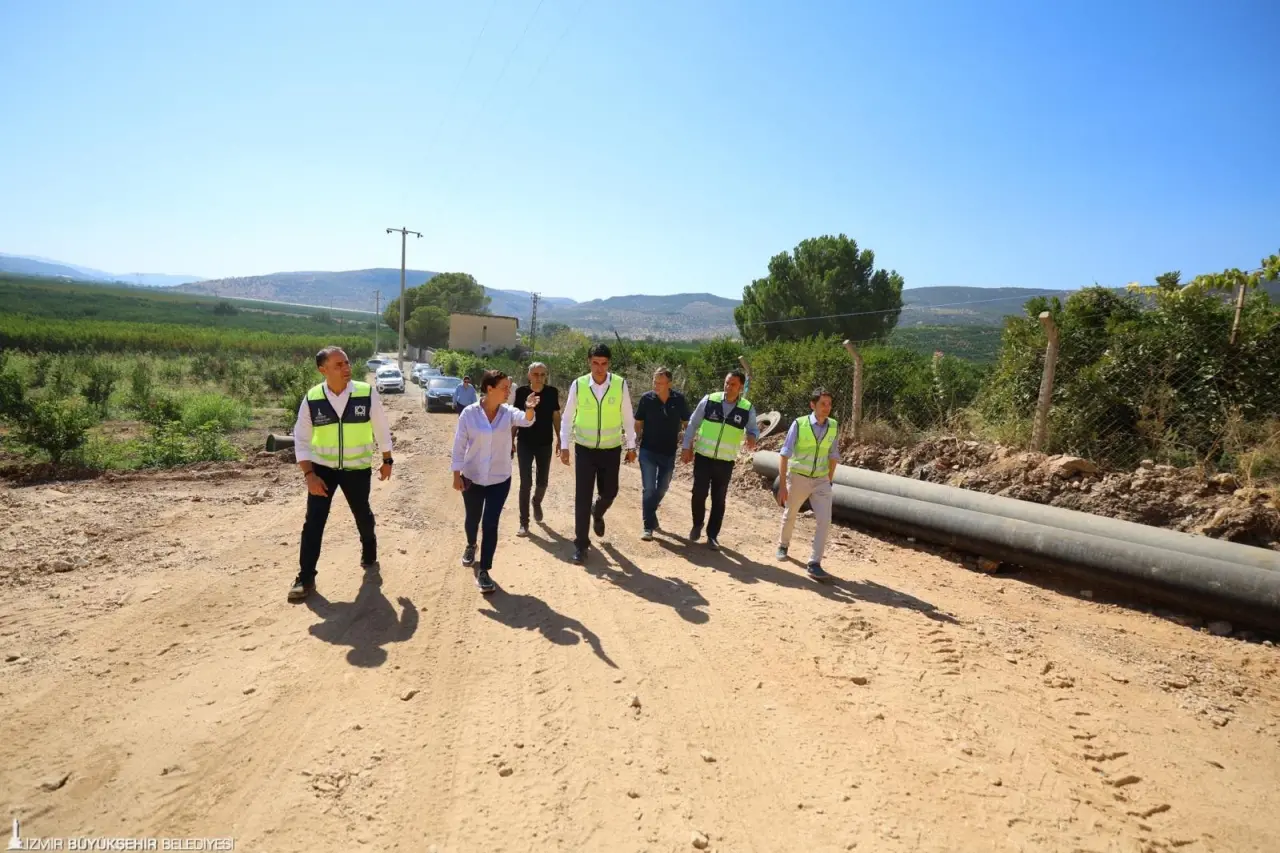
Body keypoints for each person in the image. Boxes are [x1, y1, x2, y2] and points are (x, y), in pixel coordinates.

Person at [289, 346, 394, 602]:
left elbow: (381, 427)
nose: (346, 368)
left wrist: (387, 459)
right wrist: (309, 475)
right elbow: (301, 439)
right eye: (338, 365)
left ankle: (369, 547)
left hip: (356, 469)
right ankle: (305, 577)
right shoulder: (312, 398)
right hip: (322, 470)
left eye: (347, 362)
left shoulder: (365, 393)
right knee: (314, 522)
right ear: (322, 369)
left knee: (362, 514)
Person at [451, 369, 540, 593]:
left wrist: (529, 408)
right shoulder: (469, 414)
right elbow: (459, 445)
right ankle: (471, 544)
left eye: (509, 388)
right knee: (472, 518)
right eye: (504, 388)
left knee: (490, 523)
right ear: (489, 389)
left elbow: (526, 420)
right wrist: (456, 474)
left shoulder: (508, 412)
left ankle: (484, 570)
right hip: (472, 477)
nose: (508, 392)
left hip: (499, 479)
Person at [559, 343, 637, 563]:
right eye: (595, 363)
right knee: (582, 498)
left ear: (609, 363)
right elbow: (567, 417)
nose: (599, 368)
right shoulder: (579, 384)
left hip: (611, 450)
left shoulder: (620, 384)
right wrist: (564, 445)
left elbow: (627, 416)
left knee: (610, 492)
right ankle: (581, 545)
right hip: (584, 449)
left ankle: (598, 511)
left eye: (603, 363)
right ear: (589, 362)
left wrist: (631, 445)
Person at [681, 370, 759, 550]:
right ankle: (697, 523)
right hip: (703, 456)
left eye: (733, 384)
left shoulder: (747, 408)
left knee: (719, 499)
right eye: (726, 383)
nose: (728, 387)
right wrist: (686, 446)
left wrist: (753, 437)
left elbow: (753, 429)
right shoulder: (710, 400)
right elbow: (693, 423)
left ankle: (712, 535)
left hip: (725, 461)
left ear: (740, 387)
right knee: (698, 493)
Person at [776, 388, 840, 582]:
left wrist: (828, 480)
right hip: (799, 477)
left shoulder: (833, 426)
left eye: (829, 404)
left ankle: (814, 563)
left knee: (824, 520)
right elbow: (784, 454)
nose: (827, 408)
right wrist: (782, 485)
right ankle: (783, 545)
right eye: (823, 404)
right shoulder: (799, 424)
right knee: (791, 513)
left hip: (821, 480)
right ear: (813, 405)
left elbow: (833, 455)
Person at [633, 367, 690, 540]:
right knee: (649, 488)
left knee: (663, 487)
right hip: (648, 451)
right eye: (654, 382)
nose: (656, 386)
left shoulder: (679, 400)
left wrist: (688, 446)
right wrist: (634, 441)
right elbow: (638, 421)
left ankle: (650, 513)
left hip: (669, 452)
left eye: (660, 383)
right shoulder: (646, 399)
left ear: (669, 384)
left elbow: (687, 423)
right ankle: (647, 526)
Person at [507, 362, 561, 536]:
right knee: (526, 483)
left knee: (542, 482)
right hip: (525, 442)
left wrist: (560, 438)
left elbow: (555, 416)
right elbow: (516, 417)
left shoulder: (552, 392)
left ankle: (536, 502)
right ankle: (524, 523)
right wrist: (511, 439)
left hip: (545, 443)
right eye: (536, 374)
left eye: (542, 374)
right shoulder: (521, 392)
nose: (539, 377)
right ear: (529, 375)